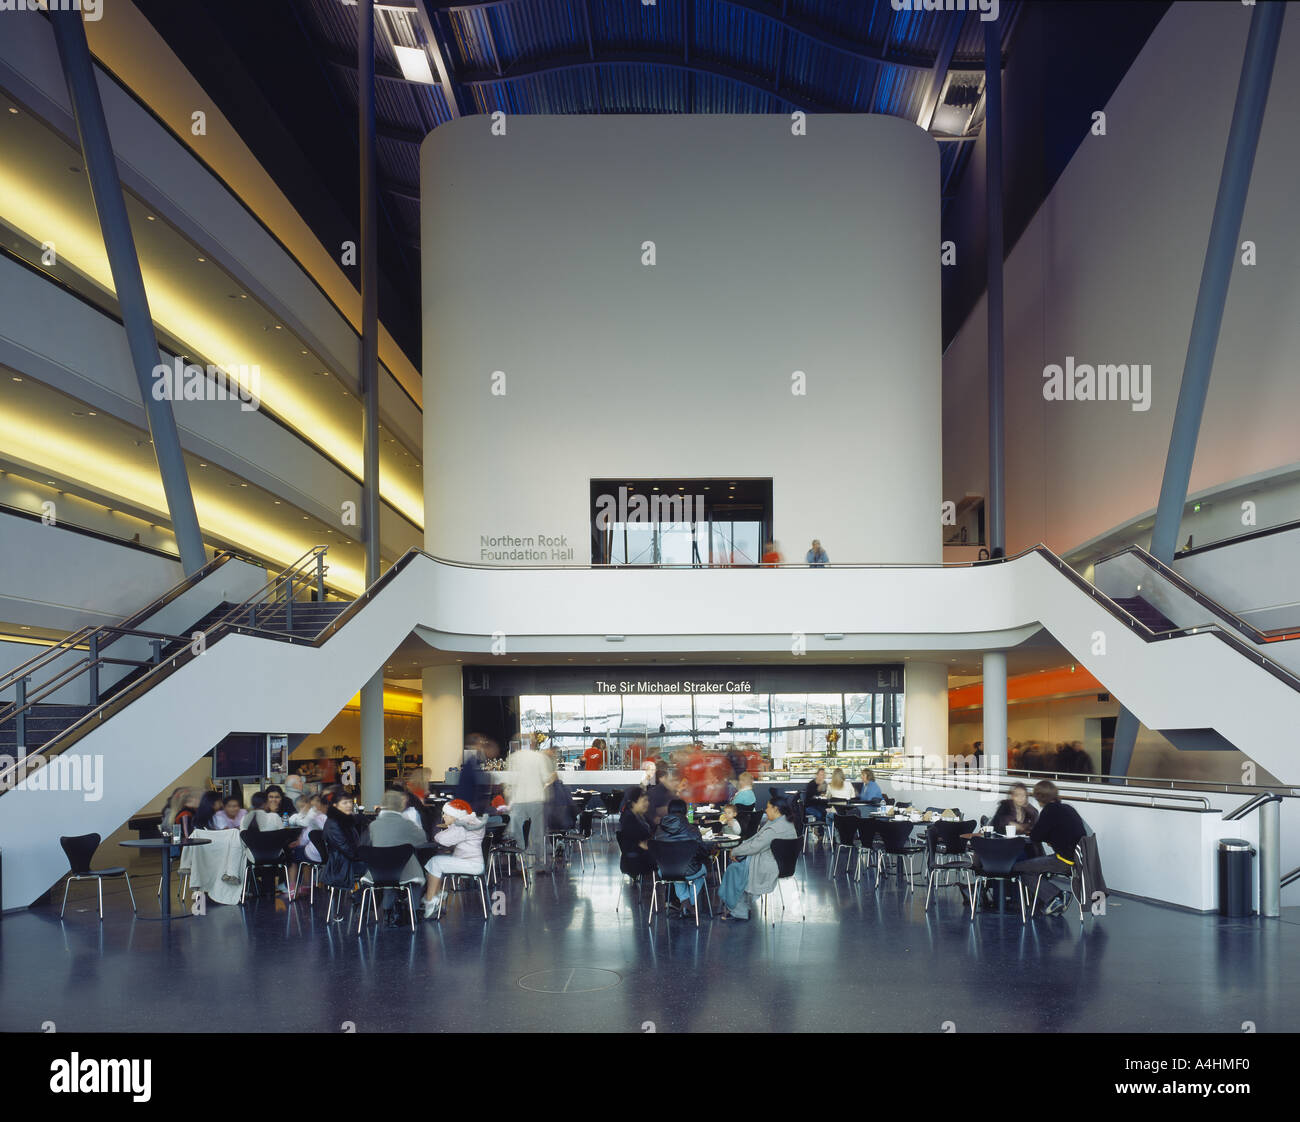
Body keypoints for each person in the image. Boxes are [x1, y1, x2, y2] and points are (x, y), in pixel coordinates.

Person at [1011, 781, 1087, 915]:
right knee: (1033, 865)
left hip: (1065, 861)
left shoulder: (1049, 810)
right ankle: (1050, 898)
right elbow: (1062, 832)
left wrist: (1030, 831)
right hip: (1079, 858)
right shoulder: (1067, 808)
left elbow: (1035, 836)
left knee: (1019, 869)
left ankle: (1056, 896)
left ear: (1039, 797)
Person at [718, 796, 799, 921]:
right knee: (739, 868)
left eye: (768, 807)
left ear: (776, 809)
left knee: (733, 869)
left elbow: (756, 846)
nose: (766, 810)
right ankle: (738, 907)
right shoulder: (786, 823)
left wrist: (734, 851)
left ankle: (738, 910)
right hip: (784, 865)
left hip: (769, 867)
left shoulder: (774, 828)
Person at [367, 789, 429, 919]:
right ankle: (415, 910)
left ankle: (387, 912)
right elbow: (422, 839)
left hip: (378, 871)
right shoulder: (406, 823)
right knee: (415, 878)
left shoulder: (374, 825)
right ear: (400, 805)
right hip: (401, 870)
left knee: (389, 877)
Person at [423, 799, 486, 919]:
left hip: (470, 864)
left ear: (455, 815)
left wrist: (439, 831)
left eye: (446, 814)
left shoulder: (462, 826)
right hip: (473, 861)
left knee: (435, 862)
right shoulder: (470, 822)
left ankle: (430, 900)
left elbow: (443, 839)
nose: (443, 816)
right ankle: (438, 895)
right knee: (437, 861)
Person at [654, 798, 709, 918]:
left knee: (676, 871)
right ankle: (691, 905)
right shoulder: (692, 830)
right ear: (685, 812)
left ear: (669, 811)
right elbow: (703, 852)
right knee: (702, 871)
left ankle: (685, 903)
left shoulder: (658, 830)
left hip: (665, 870)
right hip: (689, 870)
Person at [320, 789, 368, 922]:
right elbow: (348, 850)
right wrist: (367, 855)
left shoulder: (345, 820)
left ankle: (362, 902)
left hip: (346, 862)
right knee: (379, 869)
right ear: (335, 806)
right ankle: (362, 902)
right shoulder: (334, 824)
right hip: (341, 865)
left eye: (349, 802)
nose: (349, 805)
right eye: (344, 803)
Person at [506, 736, 550, 874]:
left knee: (518, 833)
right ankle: (539, 863)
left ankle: (521, 863)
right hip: (536, 798)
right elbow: (545, 777)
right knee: (537, 832)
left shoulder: (513, 758)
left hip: (518, 799)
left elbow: (510, 779)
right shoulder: (539, 757)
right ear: (533, 743)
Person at [618, 787, 655, 878]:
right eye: (644, 801)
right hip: (637, 861)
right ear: (634, 803)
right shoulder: (629, 820)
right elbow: (639, 844)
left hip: (641, 856)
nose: (647, 803)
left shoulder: (639, 816)